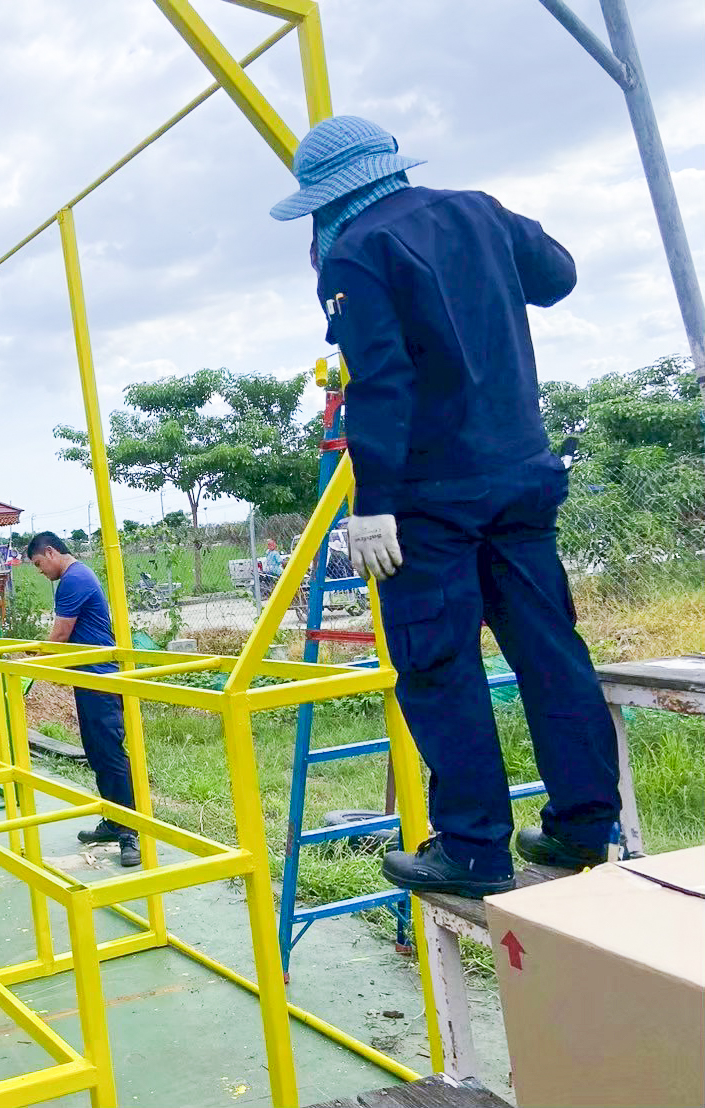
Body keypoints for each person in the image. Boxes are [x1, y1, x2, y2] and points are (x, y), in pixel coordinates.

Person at [271, 115, 621, 898]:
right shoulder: (479, 211)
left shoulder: (357, 250)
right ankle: (583, 825)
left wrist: (372, 503)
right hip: (521, 474)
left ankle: (471, 849)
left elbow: (381, 380)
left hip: (428, 499)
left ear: (328, 197)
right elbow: (557, 277)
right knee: (548, 651)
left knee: (439, 667)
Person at [24, 532, 140, 867]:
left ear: (50, 552)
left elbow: (60, 635)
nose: (40, 571)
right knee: (97, 753)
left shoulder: (73, 580)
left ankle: (130, 832)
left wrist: (33, 665)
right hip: (88, 677)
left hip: (101, 678)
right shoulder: (75, 577)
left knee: (110, 754)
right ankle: (114, 820)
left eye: (39, 564)